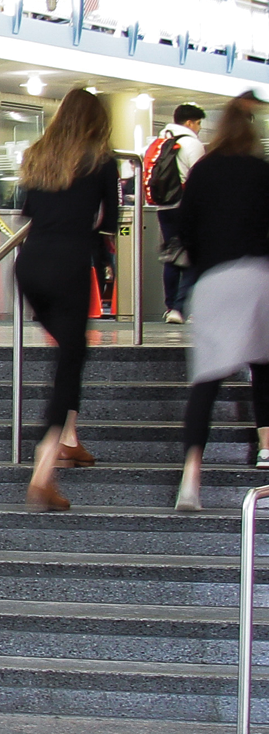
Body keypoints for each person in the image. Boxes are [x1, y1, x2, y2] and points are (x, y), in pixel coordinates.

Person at [13, 88, 118, 512]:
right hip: (70, 262)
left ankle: (70, 439)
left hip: (31, 265)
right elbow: (109, 219)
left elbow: (27, 211)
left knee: (72, 352)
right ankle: (43, 469)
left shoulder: (39, 154)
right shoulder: (100, 158)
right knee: (70, 360)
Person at [172, 94, 269, 511]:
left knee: (206, 382)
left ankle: (191, 477)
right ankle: (267, 447)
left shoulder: (203, 170)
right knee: (264, 367)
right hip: (257, 275)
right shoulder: (262, 172)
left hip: (212, 281)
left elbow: (183, 227)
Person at [154, 103, 208, 324]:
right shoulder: (192, 145)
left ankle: (170, 308)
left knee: (172, 258)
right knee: (192, 257)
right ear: (189, 122)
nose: (199, 128)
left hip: (162, 207)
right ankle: (180, 308)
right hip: (184, 207)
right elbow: (201, 180)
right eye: (198, 123)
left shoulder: (159, 142)